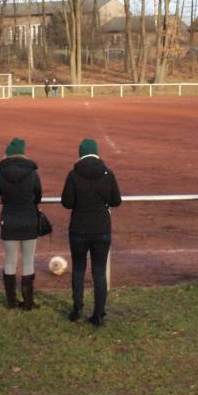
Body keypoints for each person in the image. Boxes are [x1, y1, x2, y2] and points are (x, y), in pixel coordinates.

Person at [61, 139, 122, 326]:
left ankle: (77, 309)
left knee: (78, 269)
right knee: (99, 271)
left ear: (80, 154)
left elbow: (67, 202)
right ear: (96, 153)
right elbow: (116, 200)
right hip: (101, 229)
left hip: (79, 229)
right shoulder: (107, 174)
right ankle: (98, 314)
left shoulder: (73, 174)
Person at [0, 137, 43, 310]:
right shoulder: (32, 172)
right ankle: (28, 303)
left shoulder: (1, 173)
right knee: (28, 261)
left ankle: (11, 302)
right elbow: (38, 196)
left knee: (10, 261)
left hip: (9, 220)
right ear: (23, 152)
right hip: (29, 219)